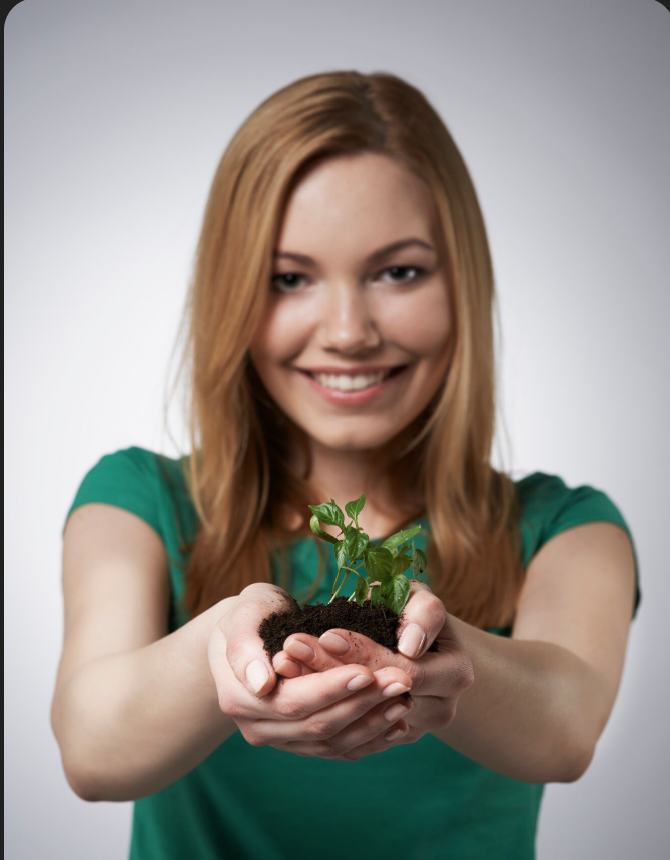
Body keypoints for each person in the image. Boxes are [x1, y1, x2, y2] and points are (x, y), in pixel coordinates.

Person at [50, 70, 641, 860]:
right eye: (289, 279)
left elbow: (564, 731)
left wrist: (444, 662)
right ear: (232, 296)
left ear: (461, 281)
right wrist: (228, 644)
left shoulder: (566, 528)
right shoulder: (136, 501)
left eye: (398, 272)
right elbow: (92, 749)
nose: (349, 332)